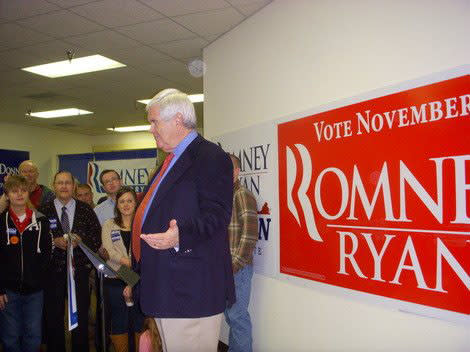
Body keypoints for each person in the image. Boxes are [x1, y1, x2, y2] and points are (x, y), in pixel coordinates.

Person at [124, 88, 235, 352]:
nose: (151, 129)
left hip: (190, 291)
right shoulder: (169, 161)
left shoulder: (210, 157)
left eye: (154, 122)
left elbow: (217, 215)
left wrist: (180, 235)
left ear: (177, 120)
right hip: (164, 285)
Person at [39, 171, 101, 352]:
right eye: (60, 183)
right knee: (53, 317)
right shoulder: (44, 210)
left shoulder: (85, 209)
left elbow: (96, 237)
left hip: (79, 271)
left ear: (73, 186)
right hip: (52, 273)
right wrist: (53, 241)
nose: (64, 186)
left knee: (80, 316)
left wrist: (81, 241)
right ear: (54, 185)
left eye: (68, 183)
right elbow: (38, 241)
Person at [0, 175, 52, 352]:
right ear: (7, 195)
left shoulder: (41, 221)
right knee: (10, 336)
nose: (19, 194)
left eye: (23, 190)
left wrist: (38, 279)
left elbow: (47, 254)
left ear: (28, 192)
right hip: (8, 291)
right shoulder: (1, 221)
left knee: (33, 336)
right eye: (14, 191)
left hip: (35, 291)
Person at [101, 186, 144, 352]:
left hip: (140, 279)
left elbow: (146, 253)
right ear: (116, 205)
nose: (126, 205)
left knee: (139, 320)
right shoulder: (109, 224)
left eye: (130, 201)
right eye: (122, 201)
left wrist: (134, 280)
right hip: (115, 278)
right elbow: (109, 252)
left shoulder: (142, 224)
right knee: (119, 321)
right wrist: (129, 263)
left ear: (136, 203)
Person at [224, 154, 258, 352]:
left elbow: (250, 235)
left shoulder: (242, 194)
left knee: (237, 317)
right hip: (227, 268)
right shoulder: (224, 196)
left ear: (236, 172)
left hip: (239, 268)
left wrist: (234, 265)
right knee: (232, 316)